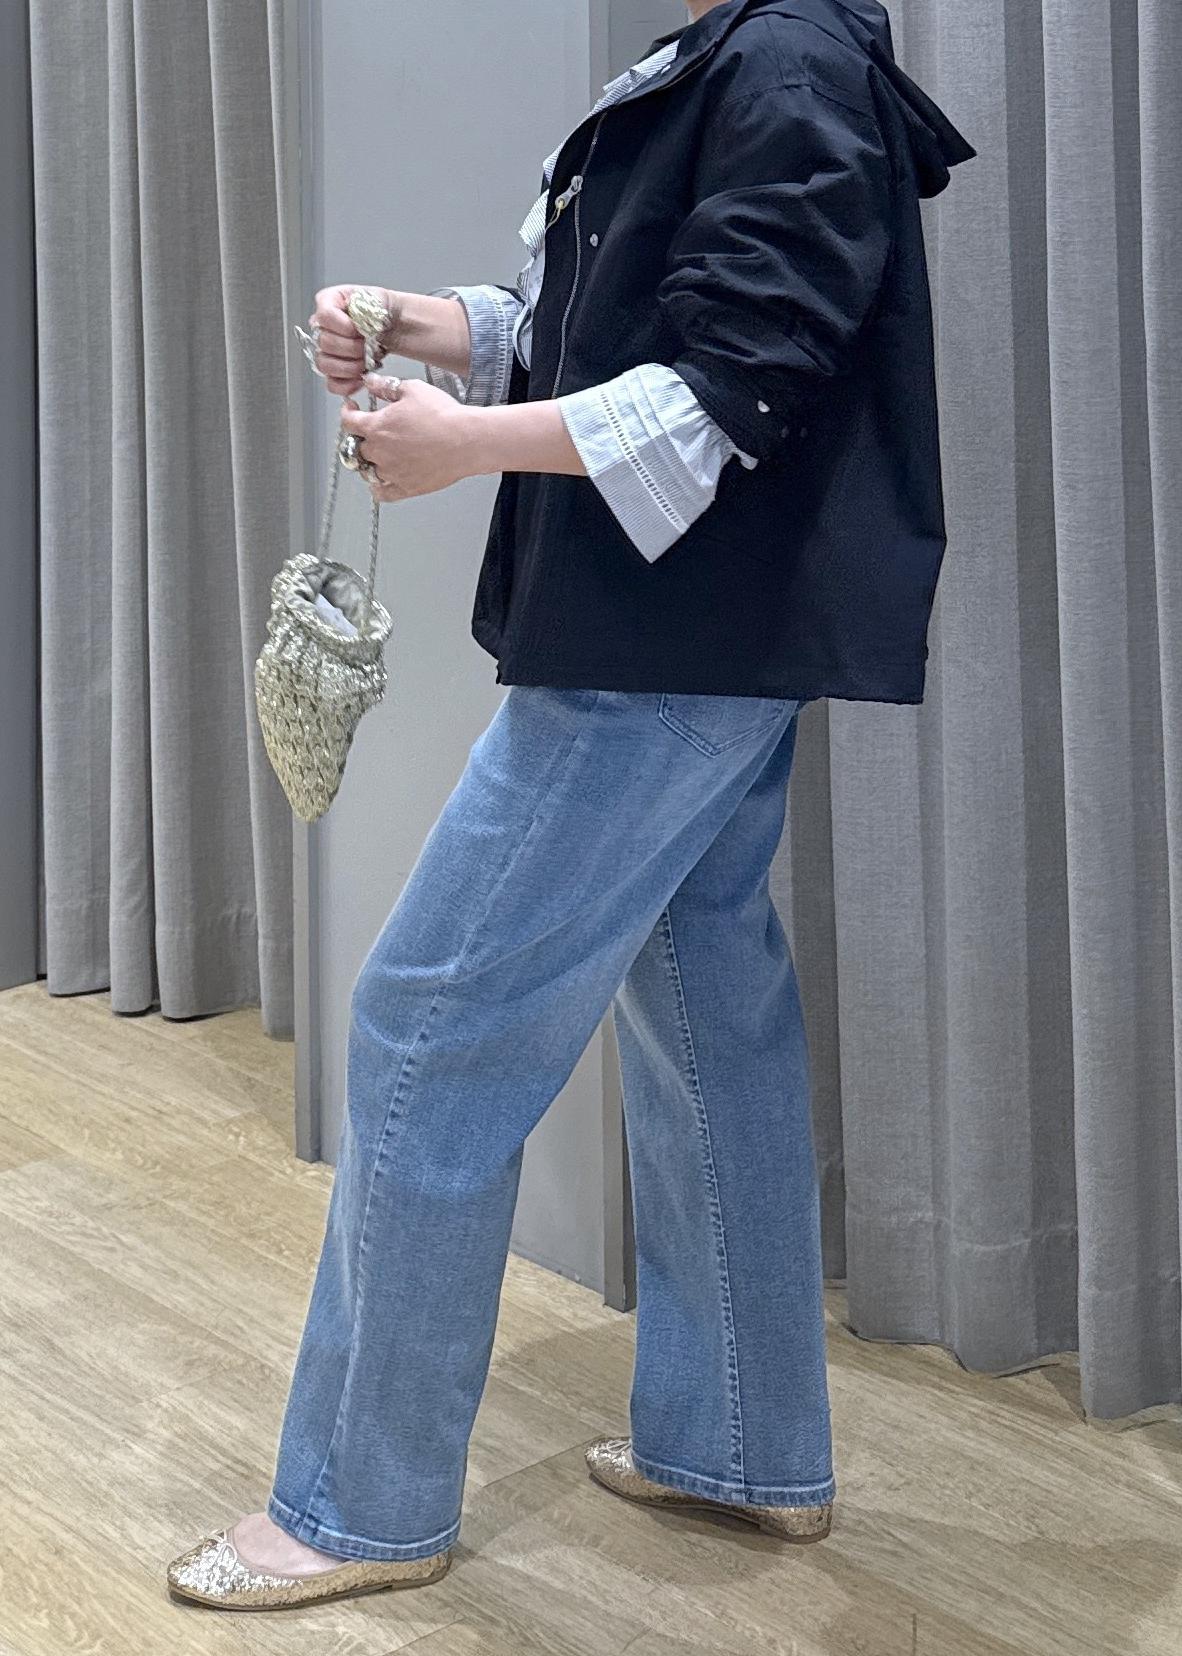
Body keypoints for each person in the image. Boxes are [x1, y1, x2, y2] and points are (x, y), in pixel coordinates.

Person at [168, 0, 972, 1611]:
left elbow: (734, 389)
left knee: (426, 1024)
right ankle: (738, 1445)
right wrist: (428, 325)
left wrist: (464, 448)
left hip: (657, 648)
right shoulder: (733, 59)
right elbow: (606, 322)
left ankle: (358, 1505)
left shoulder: (782, 67)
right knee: (702, 1005)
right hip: (699, 636)